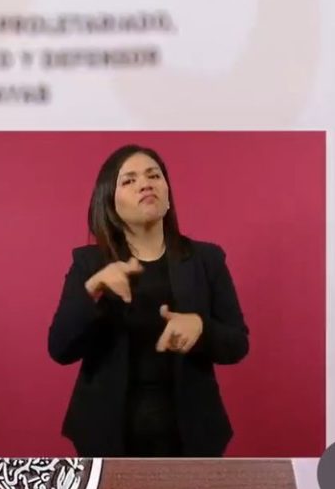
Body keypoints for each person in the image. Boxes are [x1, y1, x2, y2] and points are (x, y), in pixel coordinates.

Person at [46, 144, 249, 457]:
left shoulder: (206, 259)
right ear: (109, 201)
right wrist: (93, 290)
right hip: (106, 435)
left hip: (193, 434)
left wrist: (201, 327)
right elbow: (60, 350)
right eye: (129, 180)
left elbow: (237, 344)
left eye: (154, 176)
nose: (145, 184)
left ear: (167, 194)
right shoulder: (89, 264)